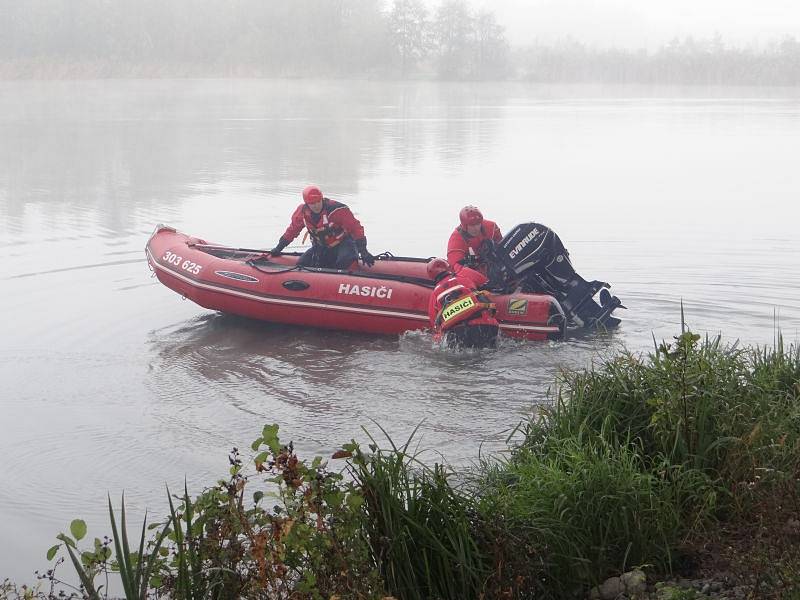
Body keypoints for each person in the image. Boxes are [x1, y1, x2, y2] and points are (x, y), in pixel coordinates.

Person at [269, 185, 375, 269]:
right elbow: (292, 230)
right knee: (302, 263)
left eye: (318, 201)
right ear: (306, 203)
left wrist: (363, 251)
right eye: (312, 203)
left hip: (343, 244)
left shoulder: (337, 210)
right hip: (321, 247)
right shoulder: (302, 212)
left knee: (345, 261)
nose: (316, 206)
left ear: (322, 199)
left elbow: (356, 229)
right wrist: (279, 248)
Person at [426, 258, 499, 349]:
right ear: (448, 268)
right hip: (486, 326)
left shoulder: (434, 295)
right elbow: (479, 292)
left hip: (459, 334)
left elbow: (435, 324)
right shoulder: (464, 279)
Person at [446, 206, 503, 276]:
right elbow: (456, 268)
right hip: (474, 273)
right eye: (472, 225)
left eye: (478, 224)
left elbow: (502, 245)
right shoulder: (456, 240)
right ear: (464, 226)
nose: (476, 228)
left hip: (496, 265)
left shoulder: (491, 227)